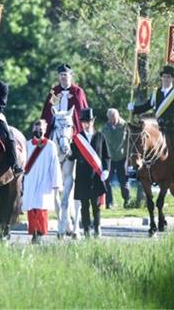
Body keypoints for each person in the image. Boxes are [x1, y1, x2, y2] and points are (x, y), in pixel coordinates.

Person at [39, 63, 88, 237]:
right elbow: (46, 113)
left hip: (72, 133)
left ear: (71, 76)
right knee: (43, 151)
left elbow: (82, 114)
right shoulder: (54, 92)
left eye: (66, 76)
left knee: (79, 159)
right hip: (55, 130)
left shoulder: (77, 92)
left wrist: (78, 131)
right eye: (61, 76)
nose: (63, 78)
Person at [128, 65, 174, 181]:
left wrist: (164, 120)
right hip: (158, 126)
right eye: (164, 77)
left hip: (172, 126)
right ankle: (138, 169)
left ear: (172, 79)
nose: (166, 79)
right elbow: (148, 105)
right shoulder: (157, 92)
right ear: (161, 78)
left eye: (168, 77)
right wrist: (134, 108)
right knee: (140, 141)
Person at [70, 108, 110, 238]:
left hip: (97, 176)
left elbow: (106, 156)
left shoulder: (100, 136)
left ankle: (97, 228)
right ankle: (86, 229)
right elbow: (72, 156)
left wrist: (106, 170)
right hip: (82, 176)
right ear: (81, 123)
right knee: (84, 205)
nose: (86, 124)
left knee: (96, 204)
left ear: (93, 121)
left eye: (89, 121)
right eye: (84, 122)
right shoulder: (77, 139)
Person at [22, 119, 63, 244]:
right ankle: (33, 232)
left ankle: (40, 233)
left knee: (41, 207)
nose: (39, 131)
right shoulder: (27, 145)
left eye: (41, 129)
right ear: (33, 129)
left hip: (45, 180)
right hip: (30, 179)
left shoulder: (50, 145)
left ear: (45, 130)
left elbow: (55, 164)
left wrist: (56, 182)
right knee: (31, 208)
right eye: (37, 128)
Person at [101, 109, 131, 209]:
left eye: (114, 118)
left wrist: (129, 156)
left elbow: (129, 142)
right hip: (109, 158)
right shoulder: (105, 128)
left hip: (121, 157)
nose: (112, 121)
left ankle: (127, 200)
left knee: (123, 181)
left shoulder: (125, 126)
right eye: (110, 119)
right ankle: (109, 202)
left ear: (117, 116)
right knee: (107, 181)